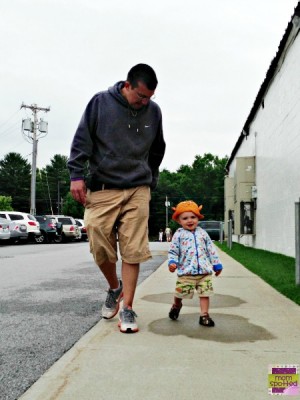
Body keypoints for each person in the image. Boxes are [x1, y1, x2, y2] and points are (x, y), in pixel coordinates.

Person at [67, 64, 166, 333]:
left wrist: (151, 178)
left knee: (133, 249)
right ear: (127, 85)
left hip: (138, 187)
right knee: (98, 241)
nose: (145, 102)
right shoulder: (101, 103)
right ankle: (115, 287)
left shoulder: (153, 112)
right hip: (103, 186)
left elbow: (158, 149)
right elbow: (81, 140)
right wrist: (76, 175)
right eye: (141, 96)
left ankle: (129, 308)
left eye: (150, 97)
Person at [168, 200, 223, 327]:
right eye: (185, 218)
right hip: (186, 273)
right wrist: (172, 262)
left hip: (204, 272)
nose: (190, 220)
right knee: (180, 293)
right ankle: (176, 305)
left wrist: (217, 264)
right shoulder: (178, 235)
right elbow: (173, 251)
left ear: (198, 217)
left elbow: (211, 250)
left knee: (205, 294)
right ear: (179, 220)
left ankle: (204, 315)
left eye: (193, 217)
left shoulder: (202, 233)